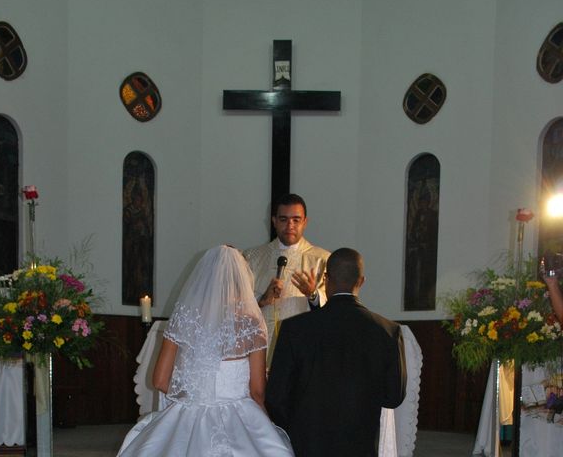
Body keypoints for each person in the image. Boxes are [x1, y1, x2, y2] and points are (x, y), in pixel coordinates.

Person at [117, 245, 294, 457]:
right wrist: (268, 422)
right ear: (241, 280)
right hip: (240, 415)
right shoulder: (252, 324)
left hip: (189, 412)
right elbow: (257, 391)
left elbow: (160, 381)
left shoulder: (183, 320)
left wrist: (193, 397)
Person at [265, 248, 407, 457]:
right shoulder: (388, 330)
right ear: (361, 281)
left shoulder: (294, 329)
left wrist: (296, 426)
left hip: (307, 443)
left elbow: (275, 397)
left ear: (325, 279)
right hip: (359, 443)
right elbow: (393, 397)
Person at [243, 194, 330, 348]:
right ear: (274, 221)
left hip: (304, 345)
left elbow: (333, 309)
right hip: (260, 344)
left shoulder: (322, 259)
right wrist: (261, 300)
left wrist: (313, 295)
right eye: (283, 219)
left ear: (305, 222)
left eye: (296, 220)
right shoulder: (252, 257)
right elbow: (237, 303)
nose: (290, 225)